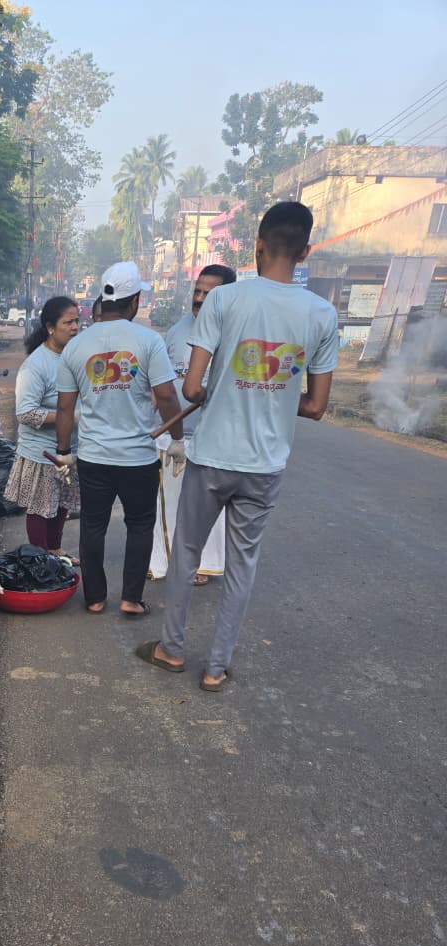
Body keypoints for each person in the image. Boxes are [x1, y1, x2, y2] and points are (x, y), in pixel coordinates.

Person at [137, 202, 338, 690]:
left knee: (186, 554)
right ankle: (216, 668)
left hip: (213, 457)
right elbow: (316, 406)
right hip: (265, 466)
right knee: (241, 566)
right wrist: (279, 393)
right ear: (305, 252)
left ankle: (171, 649)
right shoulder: (322, 314)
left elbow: (191, 389)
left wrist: (221, 388)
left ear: (258, 246)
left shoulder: (225, 300)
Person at [54, 262, 184, 615]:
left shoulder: (76, 346)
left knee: (93, 525)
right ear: (135, 301)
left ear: (103, 298)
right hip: (138, 457)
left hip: (94, 456)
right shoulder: (149, 341)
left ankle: (95, 599)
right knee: (140, 525)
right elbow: (167, 395)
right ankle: (131, 598)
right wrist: (177, 439)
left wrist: (63, 451)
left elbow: (65, 406)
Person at [149, 264, 236, 584]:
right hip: (174, 435)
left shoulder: (236, 334)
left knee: (207, 506)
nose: (199, 299)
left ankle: (201, 564)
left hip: (215, 437)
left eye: (208, 294)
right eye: (197, 291)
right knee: (168, 502)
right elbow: (162, 383)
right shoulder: (176, 331)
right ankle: (162, 561)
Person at [3, 296, 81, 557]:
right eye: (67, 322)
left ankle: (55, 550)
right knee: (40, 507)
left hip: (69, 448)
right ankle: (39, 557)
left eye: (77, 321)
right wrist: (67, 417)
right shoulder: (36, 365)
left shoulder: (74, 357)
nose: (74, 327)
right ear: (50, 327)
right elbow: (25, 412)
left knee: (61, 503)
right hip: (41, 453)